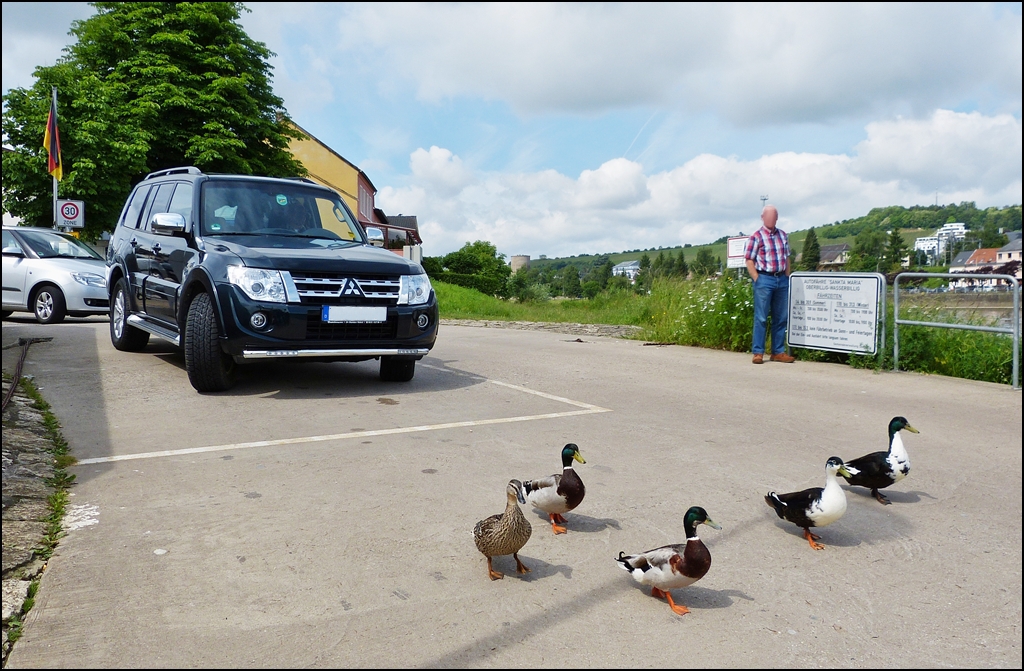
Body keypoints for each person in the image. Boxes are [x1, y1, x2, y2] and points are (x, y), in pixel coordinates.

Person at [745, 204, 796, 364]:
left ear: (777, 218)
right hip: (764, 279)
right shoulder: (756, 237)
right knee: (761, 317)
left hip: (781, 279)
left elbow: (787, 257)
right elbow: (749, 260)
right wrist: (757, 278)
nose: (770, 219)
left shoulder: (783, 235)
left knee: (781, 317)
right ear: (762, 218)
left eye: (773, 216)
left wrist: (787, 276)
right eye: (767, 216)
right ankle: (758, 352)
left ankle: (778, 352)